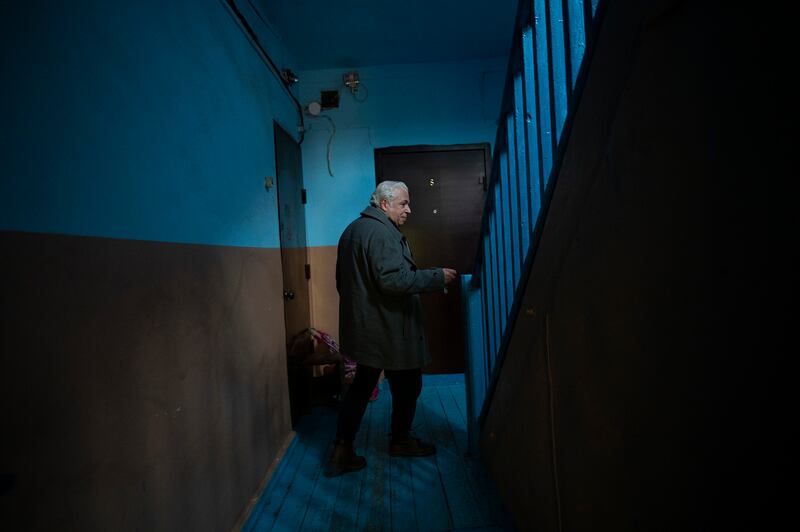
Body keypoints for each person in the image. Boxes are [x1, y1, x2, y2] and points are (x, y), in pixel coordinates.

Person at [325, 180, 458, 477]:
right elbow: (393, 281)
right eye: (403, 203)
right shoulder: (381, 233)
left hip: (367, 328)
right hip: (389, 329)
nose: (409, 209)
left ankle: (341, 449)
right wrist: (435, 277)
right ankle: (400, 441)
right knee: (408, 384)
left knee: (361, 387)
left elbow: (342, 284)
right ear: (384, 204)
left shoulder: (353, 231)